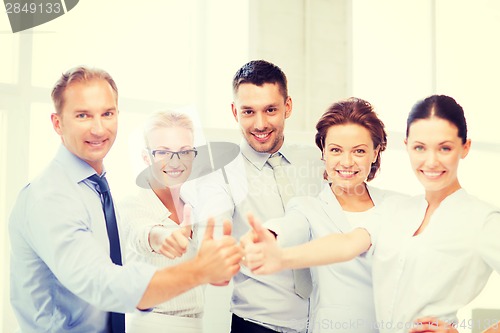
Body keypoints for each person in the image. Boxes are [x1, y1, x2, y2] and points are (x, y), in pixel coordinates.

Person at [8, 66, 243, 333]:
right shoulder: (49, 197)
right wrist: (198, 269)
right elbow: (102, 282)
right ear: (57, 123)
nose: (98, 128)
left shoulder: (96, 190)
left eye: (107, 114)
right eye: (83, 115)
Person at [244, 95, 500, 333]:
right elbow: (345, 243)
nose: (346, 162)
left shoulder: (477, 218)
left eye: (444, 148)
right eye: (420, 148)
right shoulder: (401, 210)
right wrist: (277, 250)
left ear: (375, 152)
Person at [181, 60, 325, 332]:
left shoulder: (317, 162)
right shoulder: (221, 172)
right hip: (258, 326)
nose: (260, 124)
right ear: (235, 112)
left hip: (321, 323)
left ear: (288, 107)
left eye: (270, 109)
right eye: (249, 111)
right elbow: (214, 228)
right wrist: (213, 251)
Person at [241, 97, 406, 333]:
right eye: (336, 150)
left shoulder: (396, 206)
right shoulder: (308, 209)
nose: (346, 162)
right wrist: (267, 236)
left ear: (375, 151)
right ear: (323, 153)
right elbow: (288, 227)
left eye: (359, 151)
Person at [119, 111, 204, 332]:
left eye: (184, 152)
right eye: (163, 152)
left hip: (196, 325)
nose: (175, 162)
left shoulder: (199, 205)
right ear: (147, 158)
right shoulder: (133, 205)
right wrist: (161, 237)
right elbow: (141, 233)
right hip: (150, 325)